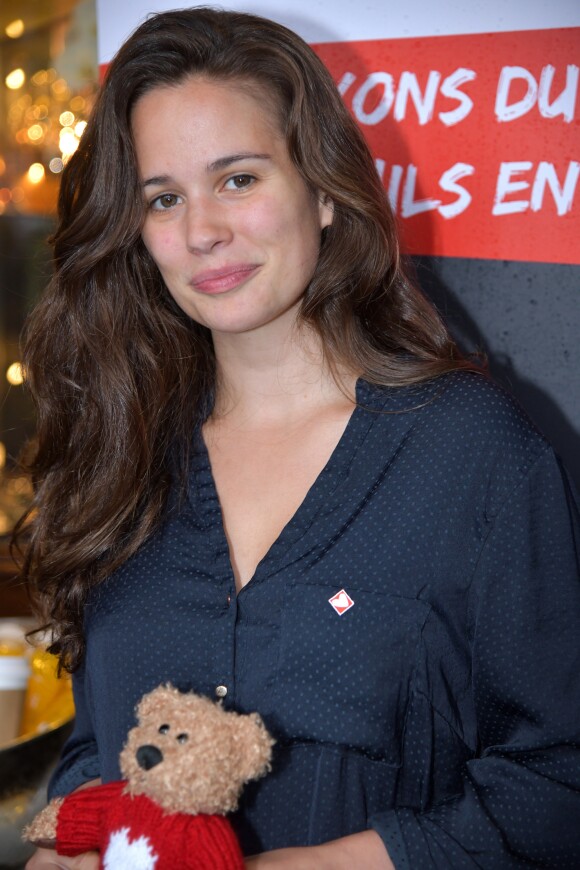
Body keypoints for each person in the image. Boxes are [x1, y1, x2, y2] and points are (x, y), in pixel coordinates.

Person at [18, 7, 580, 869]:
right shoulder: (125, 454)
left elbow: (557, 784)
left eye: (238, 179)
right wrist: (68, 837)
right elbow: (97, 747)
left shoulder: (474, 456)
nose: (202, 230)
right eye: (164, 198)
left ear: (322, 190)